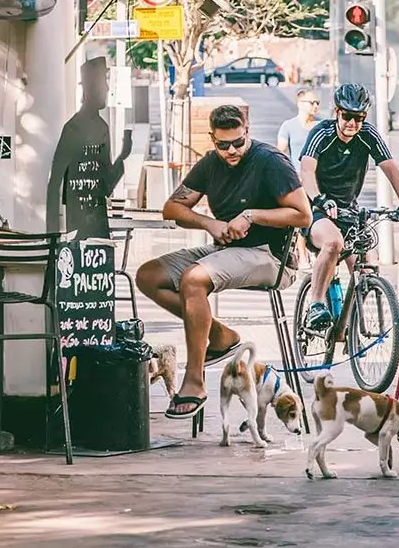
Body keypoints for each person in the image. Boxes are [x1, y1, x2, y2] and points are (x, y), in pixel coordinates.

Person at [134, 104, 312, 420]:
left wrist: (251, 215)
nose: (231, 151)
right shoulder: (211, 164)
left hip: (271, 257)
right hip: (225, 252)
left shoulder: (270, 162)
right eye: (223, 144)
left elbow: (302, 214)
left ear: (248, 131)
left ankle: (195, 380)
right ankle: (219, 336)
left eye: (238, 143)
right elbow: (172, 207)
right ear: (212, 139)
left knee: (193, 279)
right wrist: (210, 224)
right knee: (148, 276)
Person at [299, 83, 399, 331]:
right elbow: (306, 171)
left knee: (366, 267)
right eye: (347, 116)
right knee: (333, 243)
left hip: (348, 209)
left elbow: (391, 168)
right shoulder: (322, 133)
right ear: (337, 112)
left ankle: (347, 328)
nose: (353, 123)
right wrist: (319, 198)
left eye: (359, 117)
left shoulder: (368, 134)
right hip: (317, 208)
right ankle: (316, 303)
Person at [49, 56, 132, 239]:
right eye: (104, 84)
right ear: (91, 88)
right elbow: (55, 182)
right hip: (77, 221)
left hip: (98, 221)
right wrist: (53, 235)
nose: (108, 89)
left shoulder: (103, 128)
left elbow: (106, 185)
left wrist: (122, 157)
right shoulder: (73, 128)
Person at [276, 88, 322, 163]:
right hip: (296, 173)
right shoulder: (288, 125)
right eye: (312, 103)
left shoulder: (320, 127)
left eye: (317, 103)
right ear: (299, 104)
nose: (316, 106)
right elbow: (280, 152)